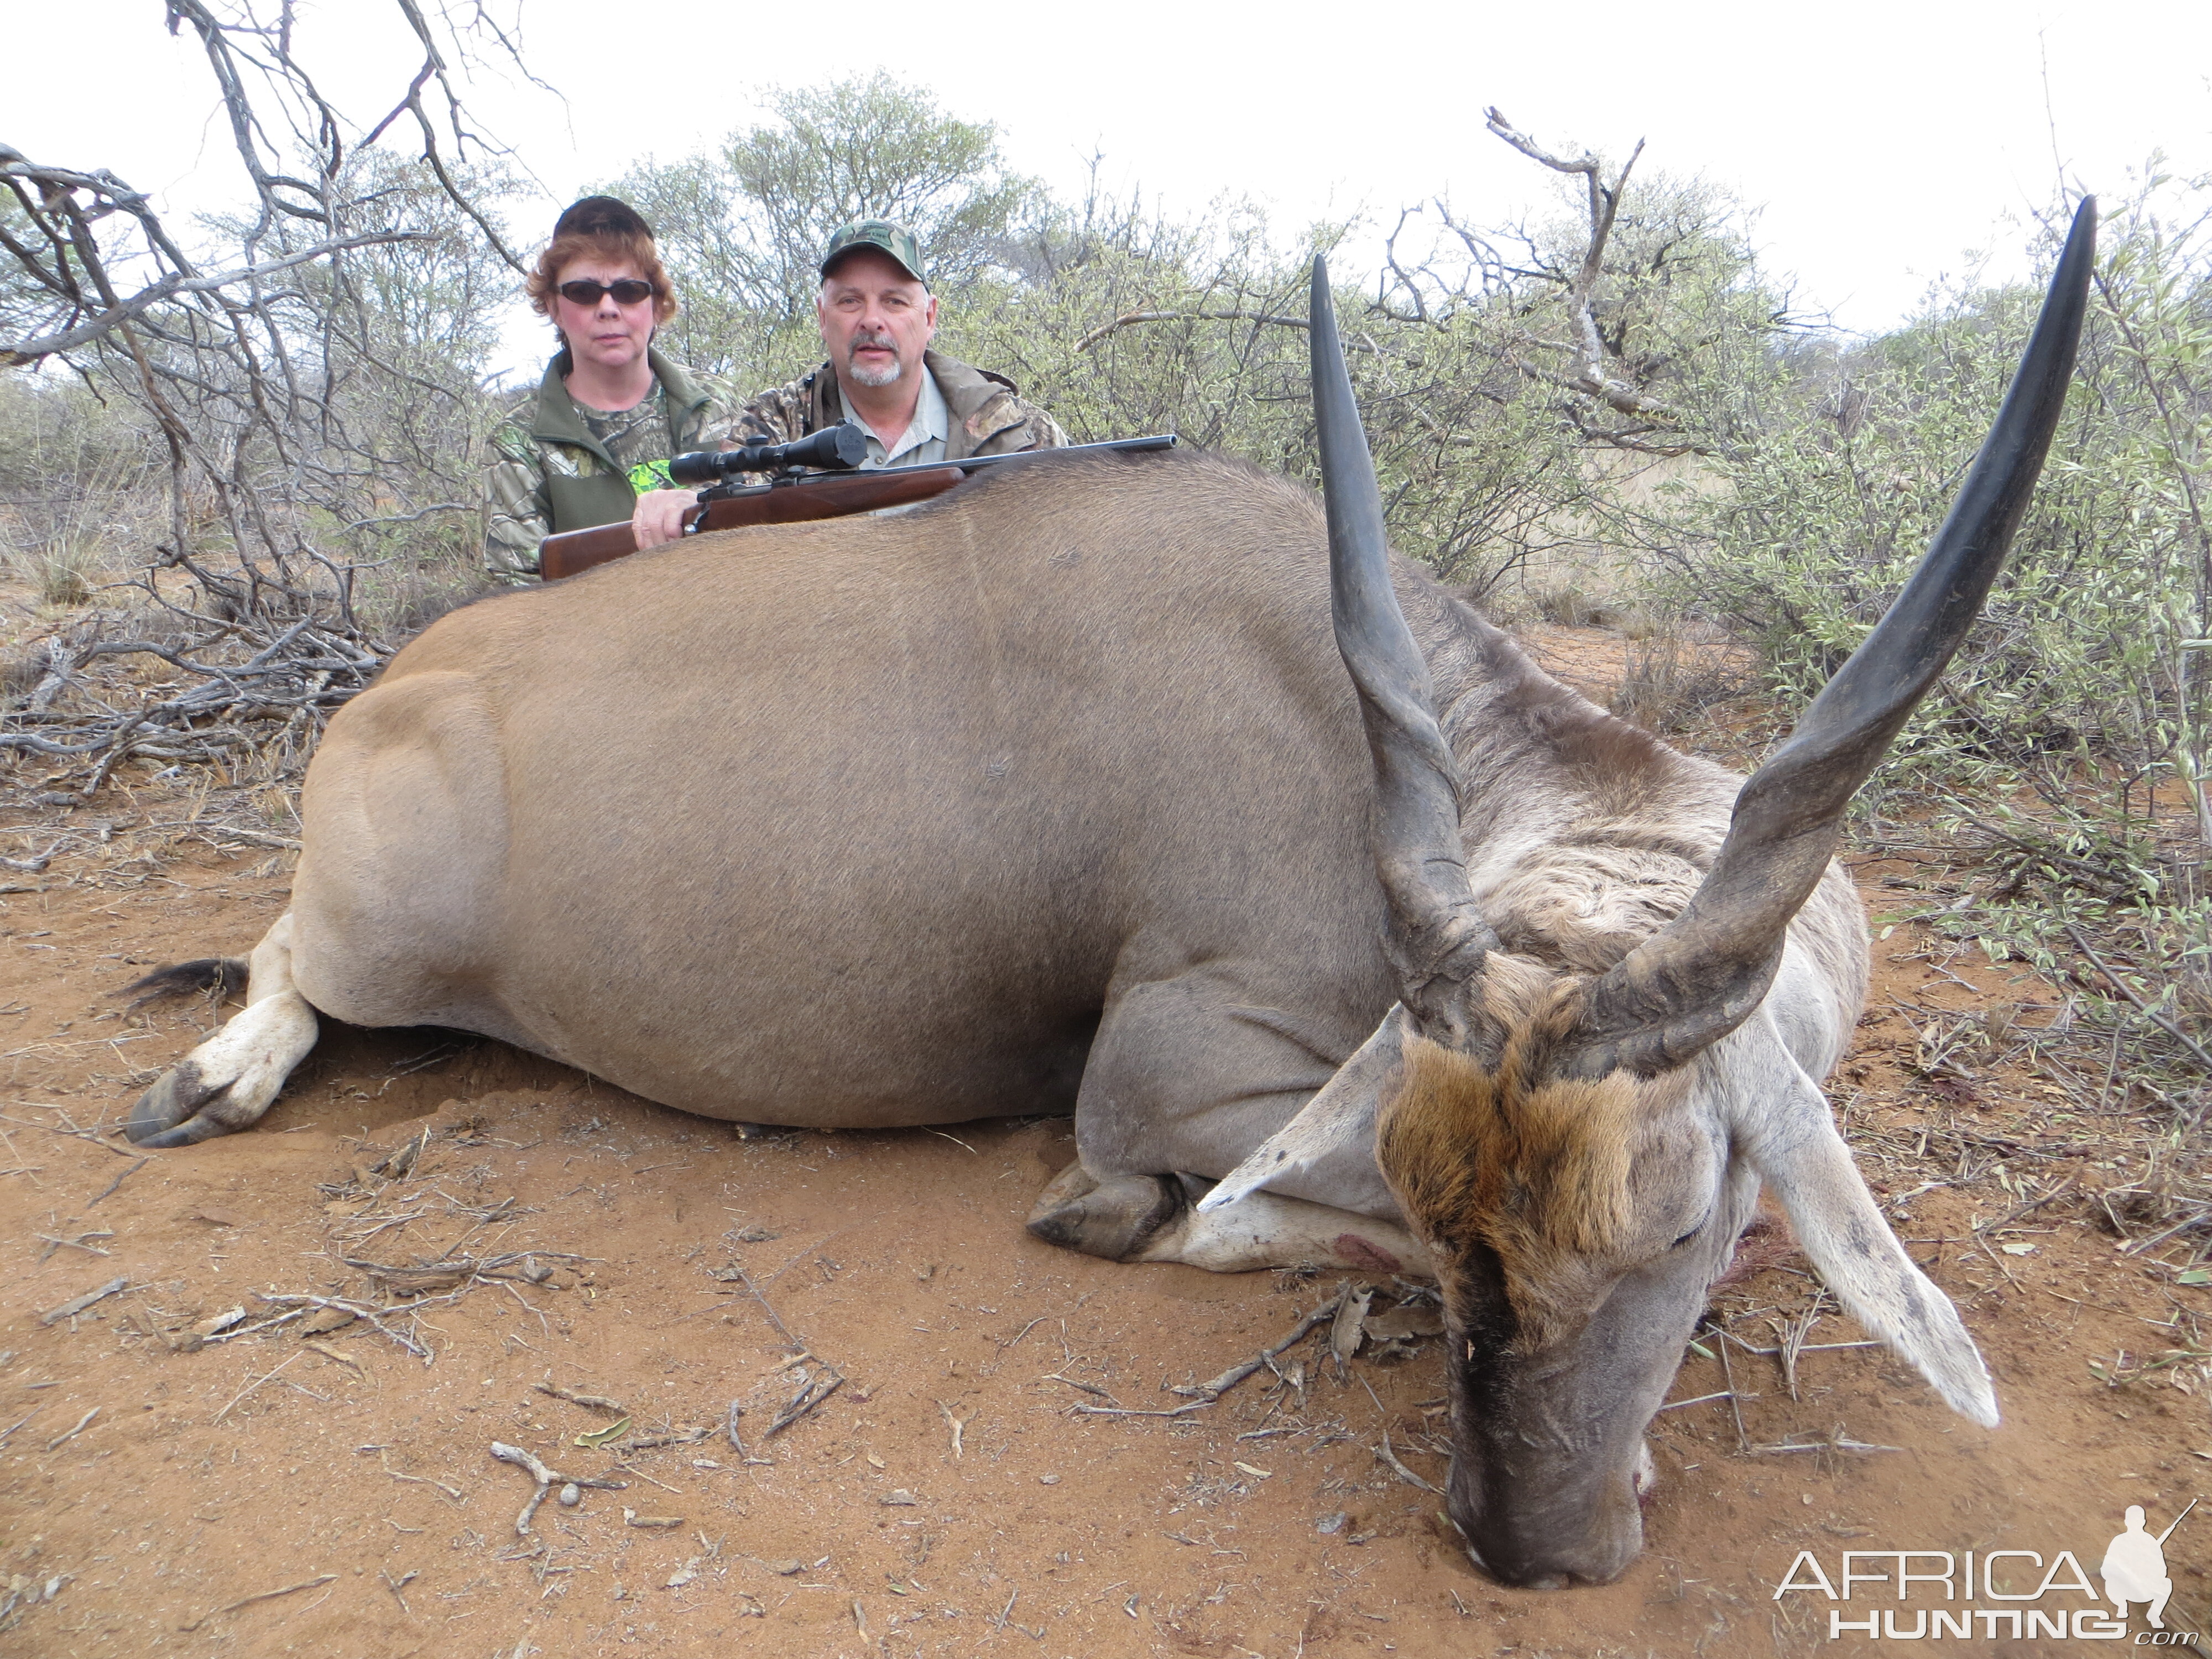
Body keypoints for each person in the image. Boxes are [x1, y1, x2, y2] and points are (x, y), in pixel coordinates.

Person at [624, 220, 1067, 551]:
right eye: (850, 301)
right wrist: (684, 509)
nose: (872, 320)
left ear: (929, 317)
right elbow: (725, 515)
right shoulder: (779, 425)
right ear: (822, 317)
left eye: (895, 301)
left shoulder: (1021, 433)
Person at [484, 196, 740, 583]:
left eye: (629, 290)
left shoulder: (718, 404)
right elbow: (516, 602)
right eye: (584, 293)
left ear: (656, 304)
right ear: (553, 306)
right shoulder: (517, 443)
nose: (608, 308)